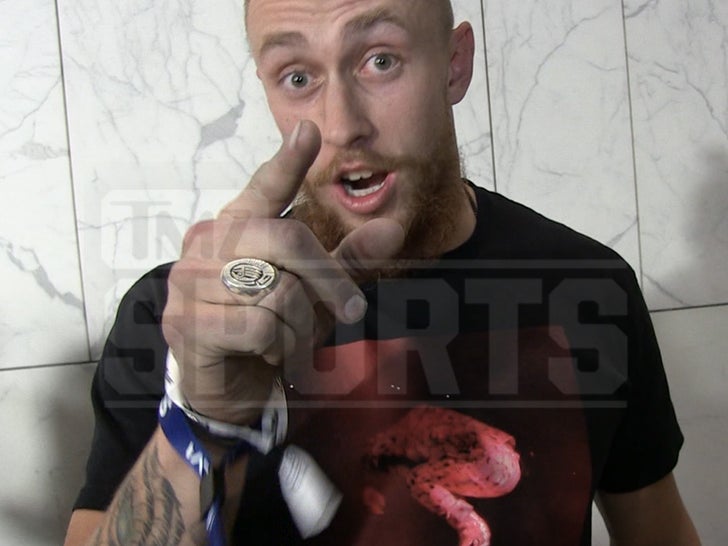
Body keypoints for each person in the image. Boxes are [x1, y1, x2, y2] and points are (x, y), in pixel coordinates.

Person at [64, 0, 701, 544]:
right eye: (297, 77)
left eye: (380, 61)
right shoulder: (184, 319)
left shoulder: (586, 287)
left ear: (454, 64)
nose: (343, 126)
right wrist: (204, 420)